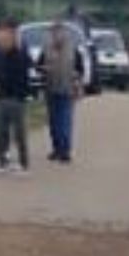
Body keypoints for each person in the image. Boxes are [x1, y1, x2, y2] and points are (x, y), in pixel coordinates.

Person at [0, 20, 33, 174]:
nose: (3, 38)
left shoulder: (20, 49)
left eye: (8, 33)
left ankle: (23, 163)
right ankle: (2, 160)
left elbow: (24, 67)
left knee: (19, 131)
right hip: (1, 95)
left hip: (17, 96)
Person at [41, 20, 86, 163]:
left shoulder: (73, 49)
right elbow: (38, 64)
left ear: (64, 33)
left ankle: (65, 151)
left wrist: (78, 82)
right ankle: (57, 149)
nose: (56, 35)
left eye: (58, 32)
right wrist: (43, 69)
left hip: (67, 89)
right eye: (53, 32)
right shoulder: (47, 48)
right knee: (54, 122)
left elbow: (80, 69)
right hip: (51, 88)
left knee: (65, 121)